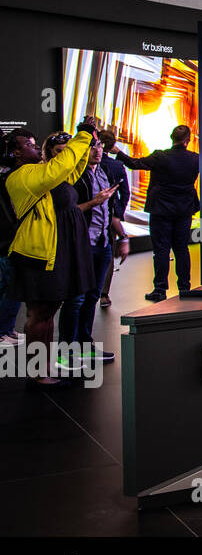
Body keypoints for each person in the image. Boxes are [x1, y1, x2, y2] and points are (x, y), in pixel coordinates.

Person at [5, 124, 105, 385]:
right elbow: (60, 168)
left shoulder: (39, 172)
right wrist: (83, 136)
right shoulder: (21, 176)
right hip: (35, 254)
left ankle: (45, 367)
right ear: (15, 153)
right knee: (38, 314)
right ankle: (38, 373)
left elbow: (72, 169)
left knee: (48, 312)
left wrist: (88, 142)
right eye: (28, 144)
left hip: (53, 251)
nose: (36, 147)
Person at [114, 124, 199, 301]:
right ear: (188, 140)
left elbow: (134, 163)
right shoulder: (195, 159)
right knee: (182, 250)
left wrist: (117, 152)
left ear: (171, 138)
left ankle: (160, 289)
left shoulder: (160, 157)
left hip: (161, 210)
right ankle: (185, 288)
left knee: (161, 250)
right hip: (184, 210)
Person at [68, 138, 125, 363]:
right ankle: (68, 350)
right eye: (92, 147)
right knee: (76, 299)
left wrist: (122, 236)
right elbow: (68, 211)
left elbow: (109, 209)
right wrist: (94, 201)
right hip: (82, 245)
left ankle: (85, 345)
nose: (97, 151)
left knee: (92, 296)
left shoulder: (104, 172)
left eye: (100, 146)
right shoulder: (75, 176)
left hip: (102, 243)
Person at [0, 128, 37, 346]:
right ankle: (3, 330)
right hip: (6, 240)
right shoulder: (7, 175)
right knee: (7, 285)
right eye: (29, 145)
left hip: (15, 238)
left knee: (12, 287)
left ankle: (7, 328)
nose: (34, 148)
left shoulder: (15, 173)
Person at [94, 127, 130, 310]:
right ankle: (104, 294)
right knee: (107, 254)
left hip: (93, 215)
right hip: (110, 216)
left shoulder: (89, 164)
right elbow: (125, 193)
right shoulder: (117, 166)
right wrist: (118, 213)